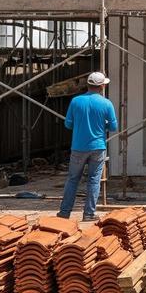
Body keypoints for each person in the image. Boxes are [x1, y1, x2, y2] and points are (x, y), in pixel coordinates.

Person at [58, 71, 117, 221]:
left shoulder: (76, 101)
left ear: (88, 85)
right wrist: (103, 126)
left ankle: (64, 213)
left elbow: (67, 124)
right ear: (102, 86)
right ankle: (89, 214)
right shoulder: (106, 103)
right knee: (94, 180)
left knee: (72, 179)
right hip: (98, 147)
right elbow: (114, 127)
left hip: (78, 147)